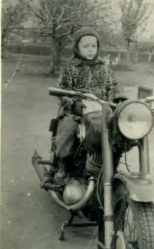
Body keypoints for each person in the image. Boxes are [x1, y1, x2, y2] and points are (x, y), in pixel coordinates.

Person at [43, 27, 121, 187]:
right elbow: (61, 90)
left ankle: (109, 166)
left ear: (98, 47)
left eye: (93, 46)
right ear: (77, 48)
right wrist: (73, 103)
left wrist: (118, 100)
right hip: (76, 111)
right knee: (68, 130)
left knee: (118, 133)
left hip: (101, 112)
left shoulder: (105, 68)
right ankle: (63, 166)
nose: (90, 49)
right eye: (86, 46)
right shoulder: (72, 67)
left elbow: (113, 88)